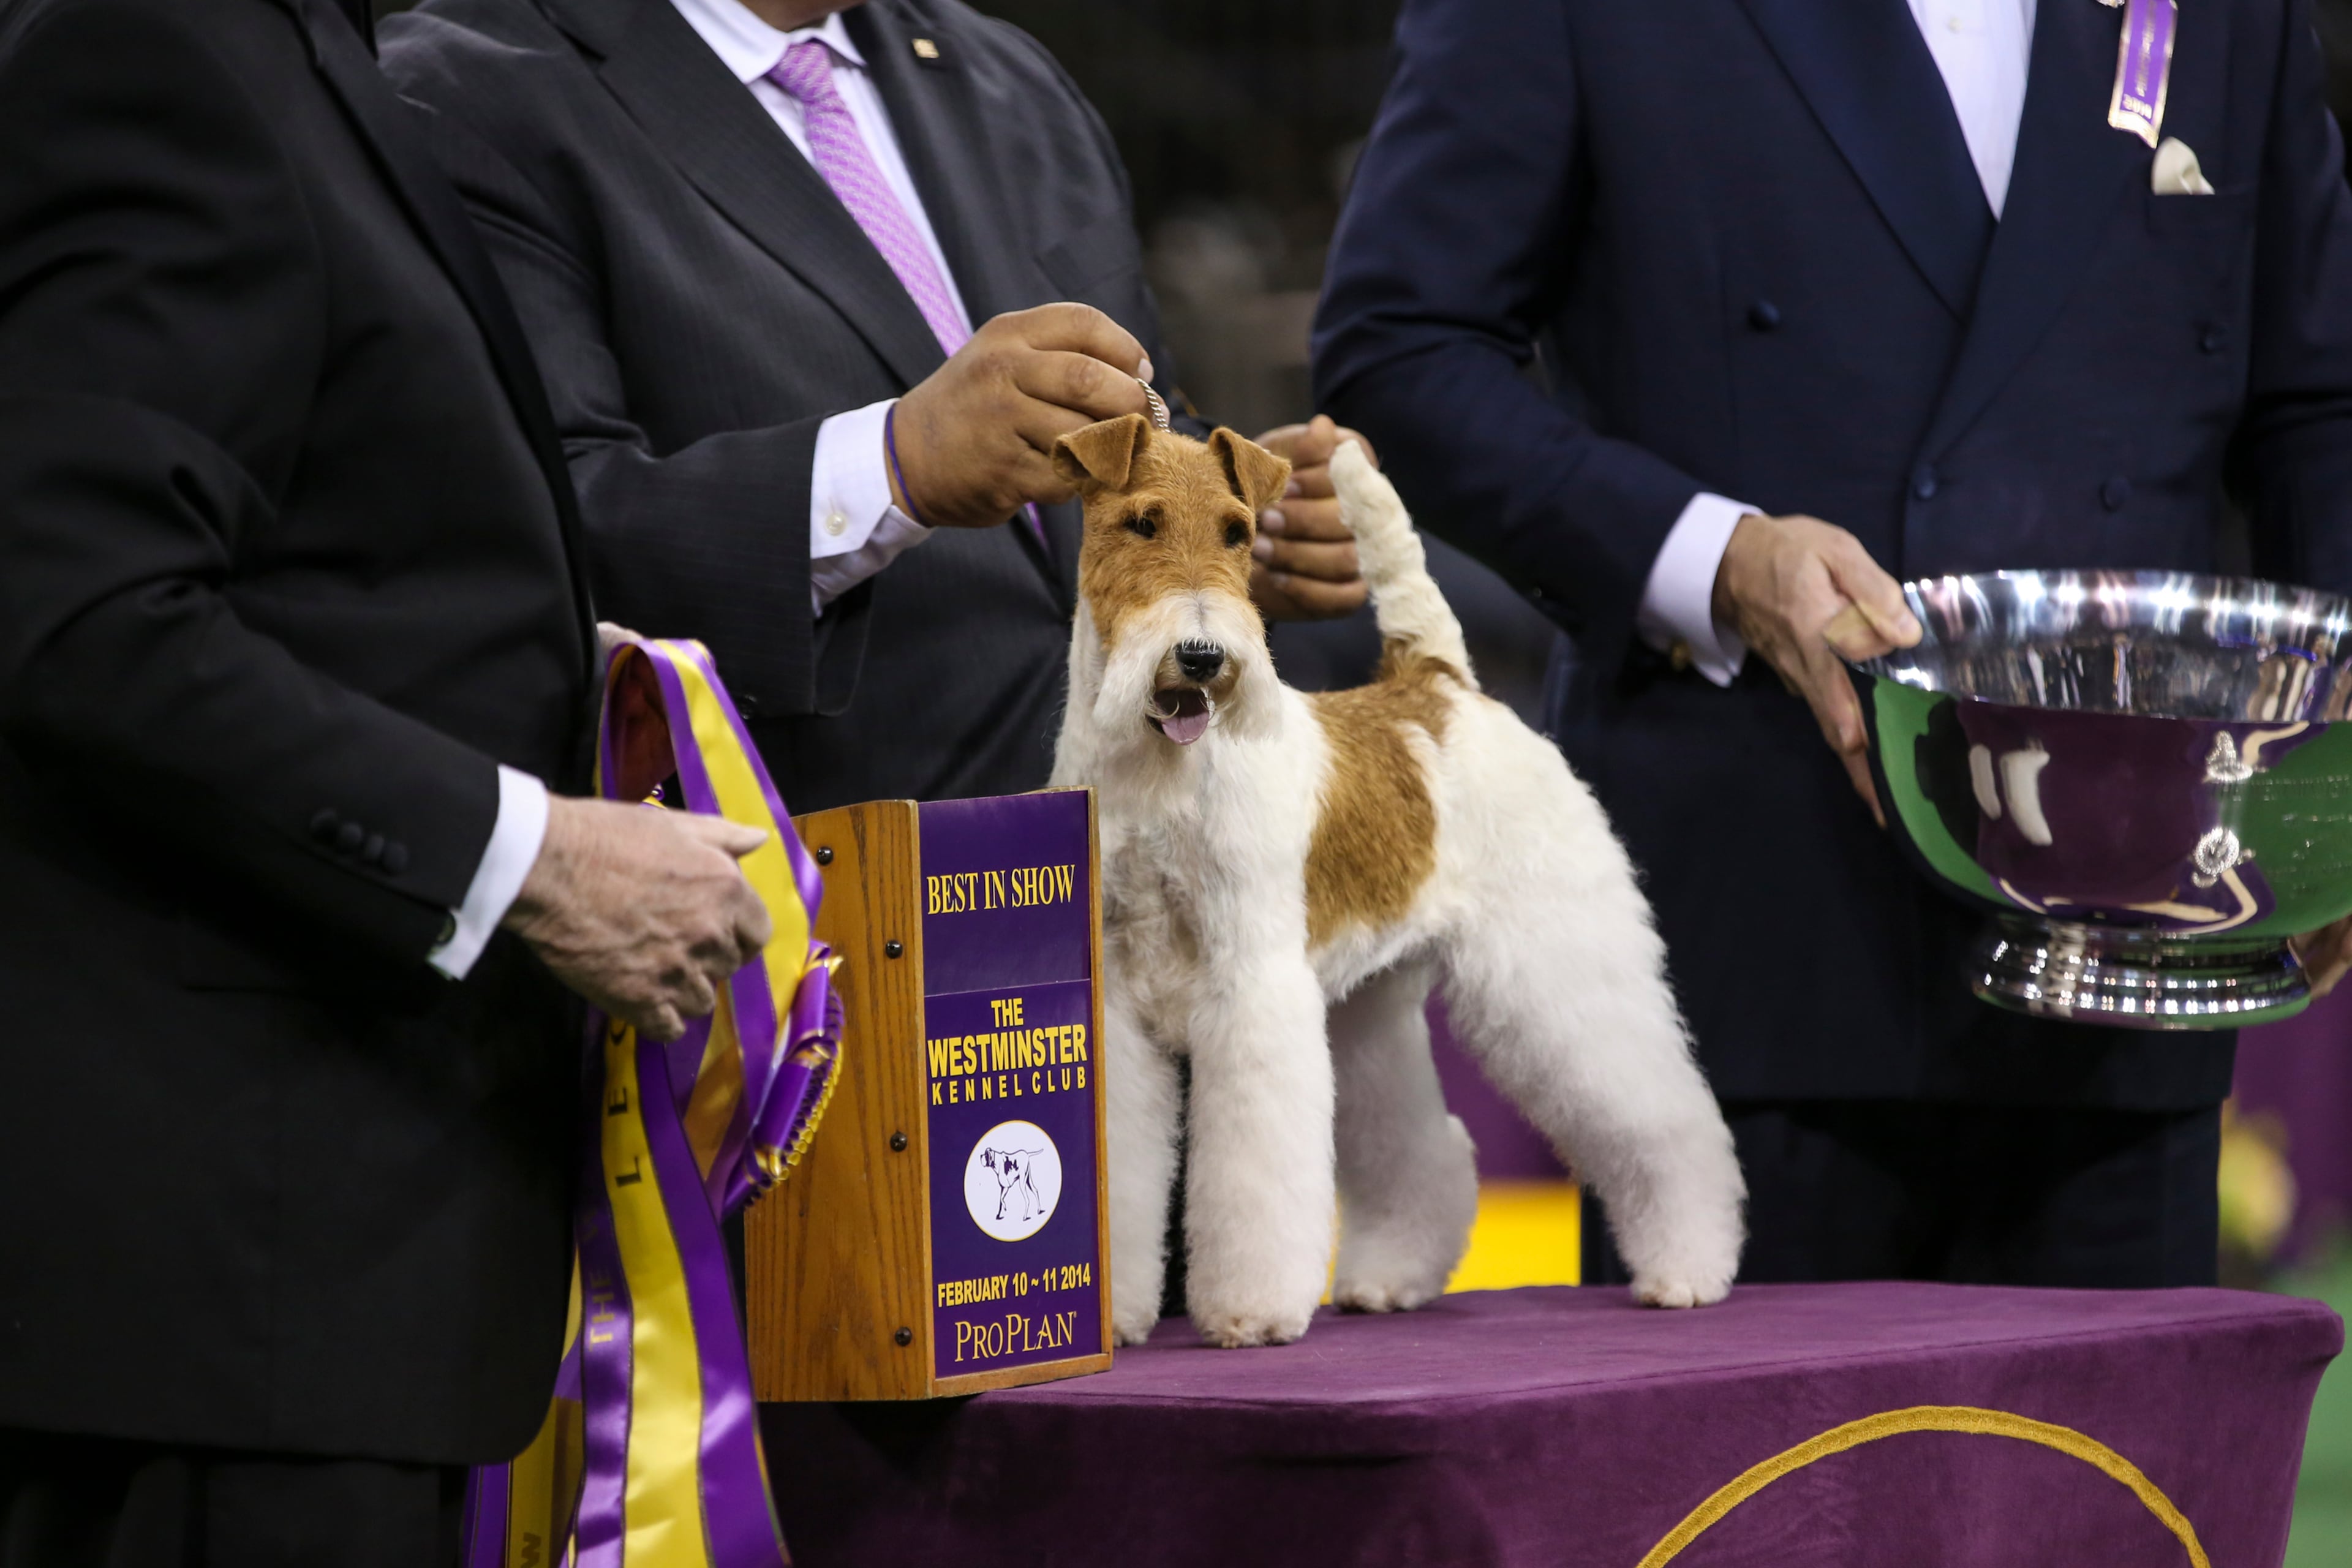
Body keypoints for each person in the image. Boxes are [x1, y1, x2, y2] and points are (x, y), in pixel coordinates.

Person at [1314, 0, 2352, 1288]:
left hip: (2131, 951)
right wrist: (1721, 559)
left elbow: (2317, 395)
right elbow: (1400, 346)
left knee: (2111, 1489)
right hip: (1751, 954)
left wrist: (2331, 789)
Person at [0, 0, 772, 1559]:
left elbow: (310, 563)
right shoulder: (150, 46)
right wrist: (525, 855)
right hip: (216, 1304)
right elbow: (73, 607)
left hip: (305, 1297)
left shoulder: (294, 52)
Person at [377, 0, 1372, 815]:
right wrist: (890, 469)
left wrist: (1241, 543)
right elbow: (519, 553)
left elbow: (1142, 428)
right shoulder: (462, 90)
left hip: (1153, 925)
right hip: (811, 968)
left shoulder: (1010, 80)